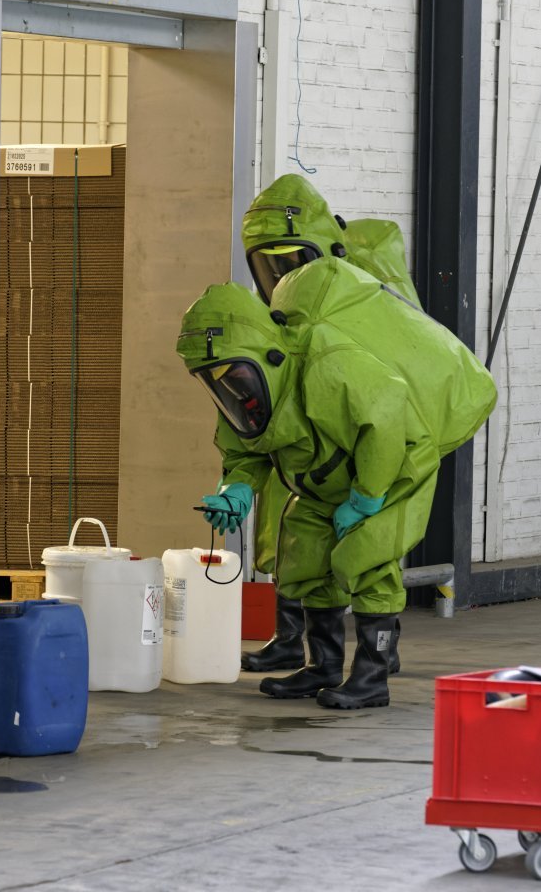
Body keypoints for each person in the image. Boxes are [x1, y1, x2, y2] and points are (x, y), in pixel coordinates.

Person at [180, 282, 440, 710]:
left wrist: (366, 498)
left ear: (267, 353)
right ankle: (323, 666)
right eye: (215, 377)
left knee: (367, 558)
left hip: (393, 470)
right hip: (321, 485)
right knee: (305, 558)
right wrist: (236, 489)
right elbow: (246, 449)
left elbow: (384, 421)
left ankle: (372, 677)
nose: (228, 385)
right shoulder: (243, 384)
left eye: (232, 372)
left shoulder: (328, 359)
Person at [223, 175, 420, 675]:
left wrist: (371, 485)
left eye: (292, 260)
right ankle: (296, 642)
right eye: (269, 265)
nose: (282, 276)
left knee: (371, 542)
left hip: (362, 432)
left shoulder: (363, 294)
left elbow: (394, 381)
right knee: (291, 532)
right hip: (306, 439)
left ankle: (379, 654)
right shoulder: (282, 316)